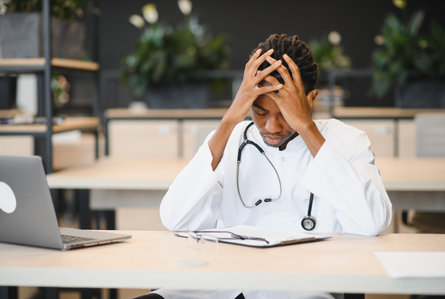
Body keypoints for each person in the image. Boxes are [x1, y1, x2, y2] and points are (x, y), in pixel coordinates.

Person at [142, 33, 392, 299]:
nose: (272, 127)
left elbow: (374, 220)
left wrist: (305, 127)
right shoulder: (231, 139)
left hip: (302, 288)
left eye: (285, 114)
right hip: (224, 283)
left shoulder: (346, 141)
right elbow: (174, 218)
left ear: (312, 99)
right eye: (260, 112)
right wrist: (230, 119)